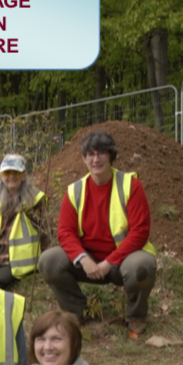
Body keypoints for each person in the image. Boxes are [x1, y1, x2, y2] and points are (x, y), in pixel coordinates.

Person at [38, 130, 156, 335]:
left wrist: (109, 262)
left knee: (142, 267)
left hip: (121, 262)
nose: (96, 159)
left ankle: (136, 316)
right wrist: (83, 259)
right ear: (83, 159)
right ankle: (77, 311)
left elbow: (140, 232)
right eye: (90, 154)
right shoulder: (74, 191)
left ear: (111, 156)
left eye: (101, 153)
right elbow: (65, 232)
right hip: (89, 262)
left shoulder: (131, 186)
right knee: (48, 260)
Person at [0, 154, 49, 289]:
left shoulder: (35, 200)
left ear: (24, 175)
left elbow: (46, 236)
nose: (11, 176)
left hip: (17, 264)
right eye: (7, 172)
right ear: (1, 176)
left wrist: (47, 268)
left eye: (16, 172)